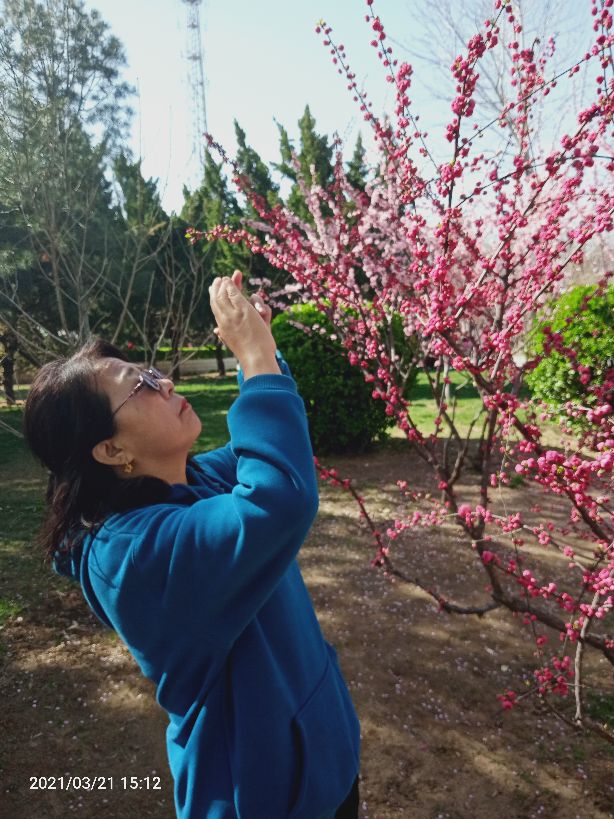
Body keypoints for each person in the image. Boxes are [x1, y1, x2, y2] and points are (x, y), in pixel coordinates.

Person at [23, 271, 361, 819]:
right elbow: (278, 498)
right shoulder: (134, 556)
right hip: (262, 797)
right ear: (110, 450)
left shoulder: (193, 481)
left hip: (322, 763)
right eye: (139, 386)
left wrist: (264, 351)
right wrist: (252, 358)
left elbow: (271, 449)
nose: (166, 384)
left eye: (153, 373)